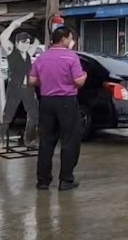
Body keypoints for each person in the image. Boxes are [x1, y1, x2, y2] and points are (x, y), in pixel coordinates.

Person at [28, 27, 87, 191]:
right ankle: (66, 180)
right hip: (66, 101)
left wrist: (47, 83)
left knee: (46, 142)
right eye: (70, 38)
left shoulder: (42, 57)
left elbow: (32, 80)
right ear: (63, 39)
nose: (71, 41)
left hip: (47, 102)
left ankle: (43, 181)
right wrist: (85, 75)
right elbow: (79, 81)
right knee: (69, 141)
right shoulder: (71, 57)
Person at [0, 13, 40, 148]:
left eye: (28, 42)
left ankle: (29, 139)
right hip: (15, 87)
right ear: (17, 42)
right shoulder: (11, 52)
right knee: (8, 114)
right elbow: (3, 37)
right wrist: (15, 24)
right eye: (23, 42)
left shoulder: (28, 53)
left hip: (28, 88)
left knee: (34, 115)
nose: (26, 44)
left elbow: (37, 42)